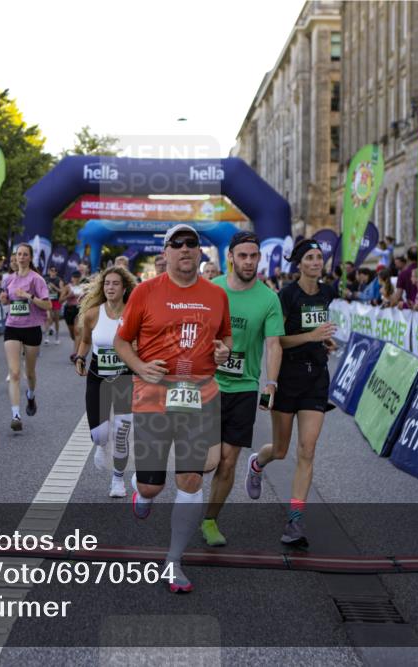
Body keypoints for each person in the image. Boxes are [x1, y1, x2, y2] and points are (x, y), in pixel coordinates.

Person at [114, 224, 232, 593]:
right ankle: (139, 488)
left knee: (191, 479)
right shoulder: (146, 292)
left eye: (191, 244)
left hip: (200, 397)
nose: (184, 249)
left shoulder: (215, 295)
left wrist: (223, 350)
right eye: (176, 244)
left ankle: (173, 562)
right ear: (164, 252)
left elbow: (224, 335)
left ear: (200, 252)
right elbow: (121, 341)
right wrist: (139, 366)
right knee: (152, 487)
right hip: (153, 396)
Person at [245, 238, 338, 547]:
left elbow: (317, 329)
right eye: (310, 257)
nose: (316, 262)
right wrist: (310, 335)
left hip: (316, 378)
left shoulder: (327, 292)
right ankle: (258, 462)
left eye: (319, 257)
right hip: (288, 376)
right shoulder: (285, 295)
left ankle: (296, 521)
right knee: (282, 450)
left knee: (307, 450)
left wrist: (323, 341)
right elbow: (278, 341)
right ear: (299, 263)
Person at [201, 232, 283, 547]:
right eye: (243, 255)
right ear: (231, 257)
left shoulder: (268, 298)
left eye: (254, 256)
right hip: (207, 383)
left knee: (228, 460)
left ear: (258, 258)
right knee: (205, 460)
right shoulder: (213, 288)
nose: (248, 261)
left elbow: (274, 344)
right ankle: (165, 487)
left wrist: (271, 383)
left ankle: (209, 520)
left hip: (245, 387)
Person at [74, 267, 137, 497]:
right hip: (98, 378)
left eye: (115, 284)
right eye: (107, 283)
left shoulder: (133, 313)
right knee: (100, 434)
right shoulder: (92, 313)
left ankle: (117, 480)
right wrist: (81, 357)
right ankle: (101, 445)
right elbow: (85, 341)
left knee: (121, 431)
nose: (110, 287)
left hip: (124, 378)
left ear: (124, 288)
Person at [0, 242, 50, 432]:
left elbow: (47, 306)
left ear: (30, 258)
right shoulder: (8, 279)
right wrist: (4, 299)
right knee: (14, 373)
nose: (21, 257)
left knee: (29, 373)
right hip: (12, 327)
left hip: (31, 328)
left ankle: (31, 394)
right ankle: (16, 414)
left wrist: (28, 296)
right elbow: (5, 298)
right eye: (18, 254)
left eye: (25, 254)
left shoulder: (37, 280)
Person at [62, 270, 85, 363]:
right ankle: (77, 347)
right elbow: (60, 300)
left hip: (79, 310)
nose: (76, 279)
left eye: (77, 277)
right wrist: (69, 295)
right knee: (73, 334)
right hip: (69, 310)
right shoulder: (68, 287)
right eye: (74, 277)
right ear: (71, 278)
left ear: (80, 278)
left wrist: (83, 298)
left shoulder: (83, 287)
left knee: (77, 332)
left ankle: (75, 353)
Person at [43, 265, 65, 346]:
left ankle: (57, 338)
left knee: (56, 319)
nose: (52, 272)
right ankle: (46, 338)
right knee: (48, 317)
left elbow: (62, 291)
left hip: (56, 301)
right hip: (48, 301)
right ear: (49, 272)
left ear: (56, 272)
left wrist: (54, 287)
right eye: (51, 270)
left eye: (54, 271)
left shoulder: (59, 280)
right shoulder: (46, 280)